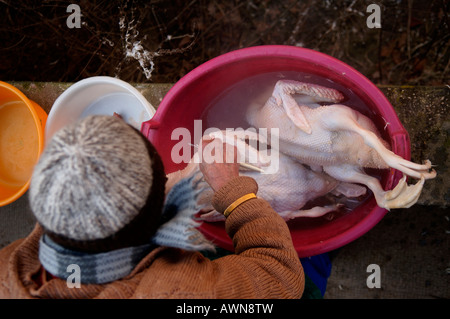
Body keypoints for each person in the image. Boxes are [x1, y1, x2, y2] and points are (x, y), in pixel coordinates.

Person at [0, 115, 304, 298]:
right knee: (312, 257)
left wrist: (102, 160)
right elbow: (281, 278)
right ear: (162, 214)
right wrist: (231, 191)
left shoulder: (8, 271)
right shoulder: (182, 293)